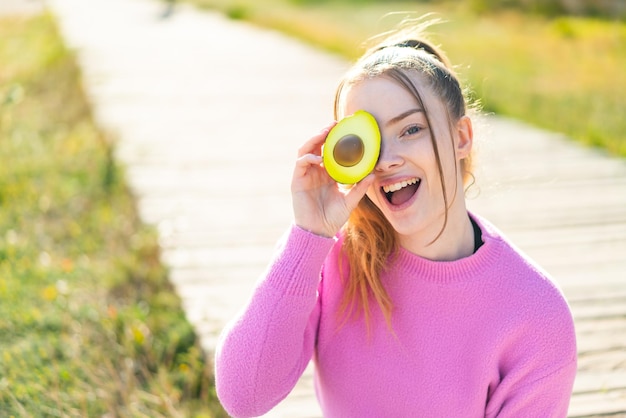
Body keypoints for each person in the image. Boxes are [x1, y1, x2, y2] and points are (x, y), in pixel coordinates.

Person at [214, 19, 577, 417]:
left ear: (462, 137)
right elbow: (243, 397)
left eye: (411, 129)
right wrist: (309, 235)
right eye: (365, 141)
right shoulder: (334, 261)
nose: (386, 160)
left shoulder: (535, 312)